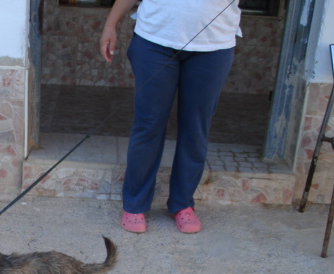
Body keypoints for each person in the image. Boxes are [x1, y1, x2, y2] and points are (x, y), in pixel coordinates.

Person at [100, 0, 242, 233]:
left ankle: (182, 204)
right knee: (149, 124)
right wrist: (110, 24)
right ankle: (135, 204)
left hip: (214, 45)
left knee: (195, 128)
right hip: (155, 39)